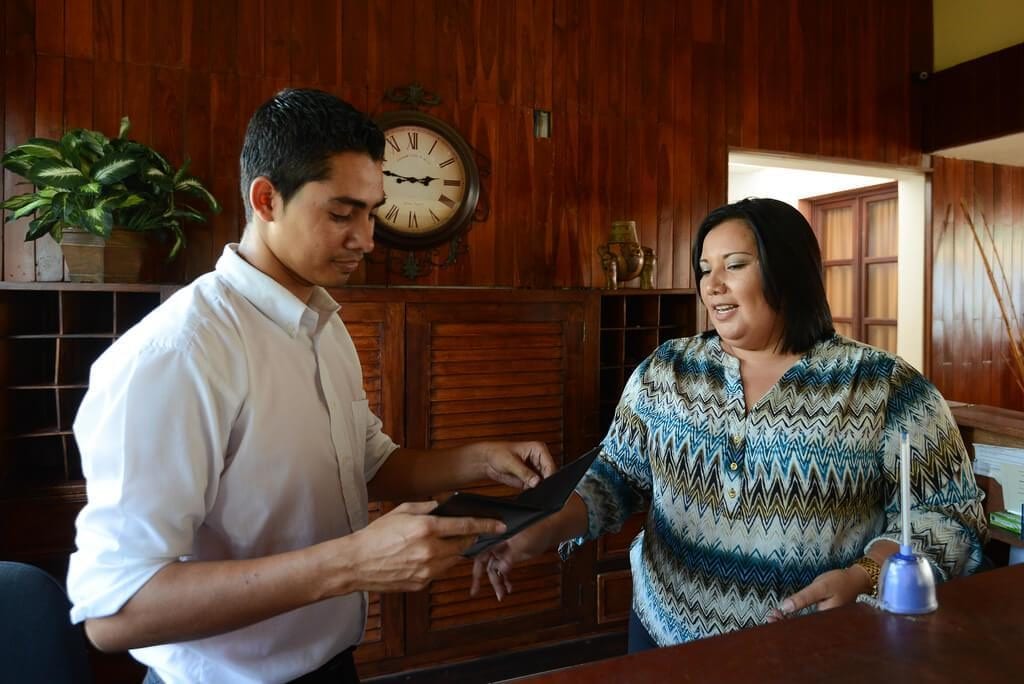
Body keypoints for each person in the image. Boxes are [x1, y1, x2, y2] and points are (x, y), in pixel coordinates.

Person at [66, 88, 555, 684]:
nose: (367, 240)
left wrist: (475, 461)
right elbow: (117, 613)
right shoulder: (177, 354)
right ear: (266, 199)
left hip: (332, 665)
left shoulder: (322, 323)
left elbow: (367, 463)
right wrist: (352, 563)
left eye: (372, 213)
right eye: (341, 214)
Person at [472, 197, 987, 651]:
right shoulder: (666, 370)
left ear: (787, 272)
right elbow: (616, 478)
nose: (711, 285)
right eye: (704, 269)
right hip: (665, 634)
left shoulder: (884, 385)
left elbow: (949, 517)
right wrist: (544, 528)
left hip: (819, 641)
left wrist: (865, 576)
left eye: (735, 265)